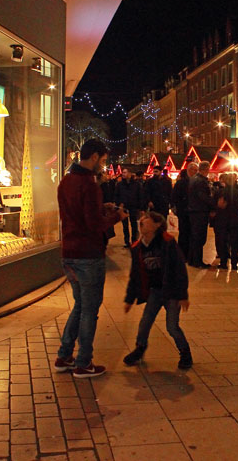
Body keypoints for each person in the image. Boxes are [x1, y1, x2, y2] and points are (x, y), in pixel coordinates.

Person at [55, 139, 128, 378]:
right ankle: (83, 362)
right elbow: (93, 225)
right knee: (90, 310)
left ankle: (65, 355)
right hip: (87, 254)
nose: (103, 166)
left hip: (69, 253)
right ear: (95, 157)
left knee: (79, 305)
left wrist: (100, 208)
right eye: (104, 160)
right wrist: (117, 216)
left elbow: (75, 215)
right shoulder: (89, 185)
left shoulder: (66, 181)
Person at [123, 211, 192, 369]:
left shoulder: (167, 243)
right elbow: (135, 275)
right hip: (155, 291)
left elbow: (180, 269)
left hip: (171, 292)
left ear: (157, 224)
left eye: (146, 219)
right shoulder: (138, 247)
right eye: (141, 219)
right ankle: (140, 349)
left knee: (172, 326)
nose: (142, 221)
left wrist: (183, 295)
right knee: (145, 322)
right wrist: (129, 299)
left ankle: (185, 353)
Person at [187, 161, 214, 268]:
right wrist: (214, 204)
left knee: (194, 236)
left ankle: (192, 259)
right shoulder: (201, 181)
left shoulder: (193, 179)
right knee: (200, 237)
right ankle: (197, 261)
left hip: (193, 211)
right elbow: (203, 197)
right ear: (206, 169)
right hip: (200, 211)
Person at [212, 173, 238, 270]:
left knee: (223, 241)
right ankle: (234, 263)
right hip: (234, 218)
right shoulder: (237, 192)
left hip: (222, 219)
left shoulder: (219, 192)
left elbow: (215, 205)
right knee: (234, 242)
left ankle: (223, 262)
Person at [171, 165, 195, 260]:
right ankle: (185, 254)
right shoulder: (183, 183)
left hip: (186, 210)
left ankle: (185, 253)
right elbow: (175, 196)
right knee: (186, 233)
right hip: (185, 210)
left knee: (186, 233)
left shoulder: (184, 183)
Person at [114, 168, 142, 247]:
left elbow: (140, 195)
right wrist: (118, 204)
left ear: (130, 173)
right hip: (123, 207)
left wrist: (139, 207)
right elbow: (116, 195)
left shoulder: (136, 184)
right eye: (122, 172)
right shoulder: (119, 184)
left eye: (125, 172)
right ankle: (126, 241)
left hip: (133, 207)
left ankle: (134, 240)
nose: (123, 174)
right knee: (125, 225)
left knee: (134, 225)